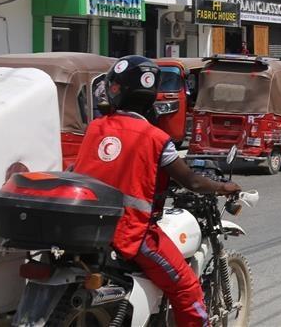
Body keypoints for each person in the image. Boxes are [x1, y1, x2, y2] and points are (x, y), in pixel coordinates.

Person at [73, 56, 241, 327]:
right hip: (130, 234)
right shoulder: (157, 139)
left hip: (89, 227)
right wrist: (224, 186)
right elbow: (193, 182)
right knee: (186, 288)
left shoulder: (95, 128)